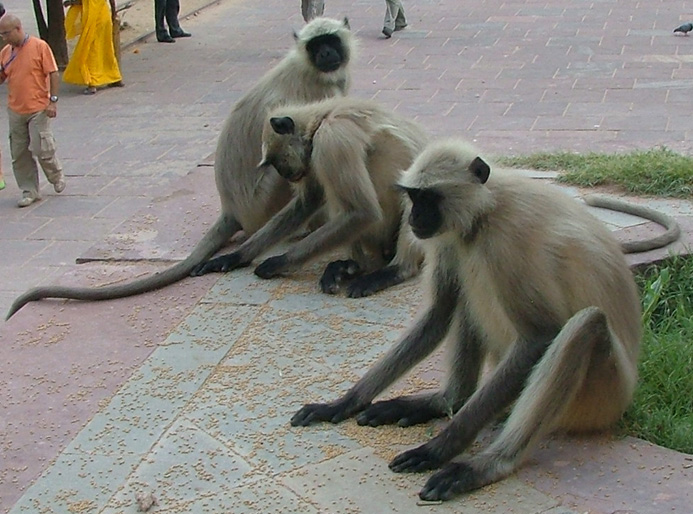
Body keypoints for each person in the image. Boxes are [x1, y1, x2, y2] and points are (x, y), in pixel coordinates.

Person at [0, 14, 65, 207]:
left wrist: (53, 101)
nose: (4, 37)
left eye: (6, 33)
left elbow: (53, 73)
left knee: (41, 148)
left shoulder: (39, 47)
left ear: (18, 29)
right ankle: (29, 190)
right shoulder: (6, 52)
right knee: (19, 152)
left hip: (38, 107)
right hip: (15, 109)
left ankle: (55, 174)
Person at [63, 0, 123, 95]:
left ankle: (92, 83)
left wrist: (70, 2)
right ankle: (114, 77)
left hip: (92, 19)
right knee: (106, 48)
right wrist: (113, 12)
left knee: (91, 51)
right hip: (104, 15)